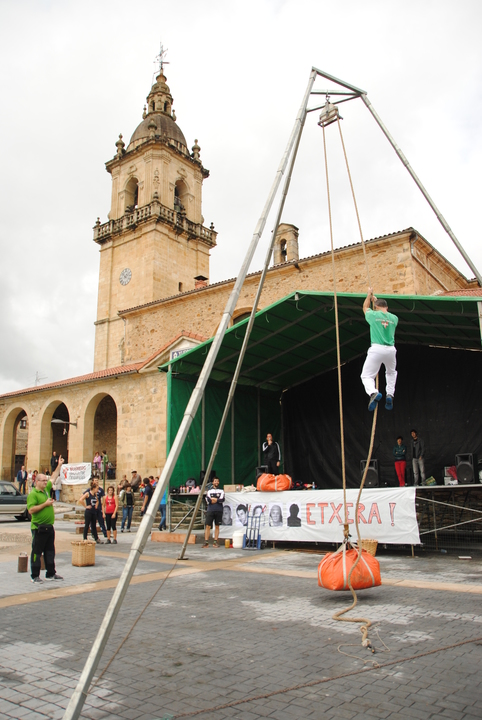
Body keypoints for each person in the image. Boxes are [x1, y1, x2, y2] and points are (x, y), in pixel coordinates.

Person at [27, 456, 65, 583]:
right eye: (43, 480)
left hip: (49, 527)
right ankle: (35, 575)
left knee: (50, 551)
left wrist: (59, 465)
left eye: (45, 480)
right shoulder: (33, 494)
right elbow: (31, 510)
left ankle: (50, 573)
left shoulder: (46, 490)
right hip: (38, 527)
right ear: (37, 481)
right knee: (37, 552)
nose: (45, 482)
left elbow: (53, 477)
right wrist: (45, 504)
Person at [361, 287, 399, 411]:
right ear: (387, 307)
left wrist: (368, 295)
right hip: (391, 350)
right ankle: (390, 394)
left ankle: (373, 393)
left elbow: (365, 307)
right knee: (391, 372)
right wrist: (376, 302)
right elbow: (384, 315)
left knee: (366, 376)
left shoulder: (373, 315)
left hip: (377, 348)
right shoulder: (394, 318)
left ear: (376, 307)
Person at [203, 477, 225, 548]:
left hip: (219, 510)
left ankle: (215, 542)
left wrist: (214, 499)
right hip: (210, 510)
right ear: (212, 482)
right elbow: (208, 500)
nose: (216, 482)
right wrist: (216, 499)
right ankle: (206, 542)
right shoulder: (209, 491)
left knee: (217, 526)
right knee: (208, 526)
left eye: (217, 481)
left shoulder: (221, 491)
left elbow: (222, 500)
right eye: (215, 481)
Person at [78, 479, 102, 543]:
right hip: (88, 511)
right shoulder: (88, 493)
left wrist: (96, 505)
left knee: (94, 525)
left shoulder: (95, 494)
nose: (97, 490)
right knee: (87, 524)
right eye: (97, 489)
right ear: (93, 488)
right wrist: (86, 506)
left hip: (94, 511)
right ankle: (85, 538)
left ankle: (96, 538)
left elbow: (97, 501)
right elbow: (81, 500)